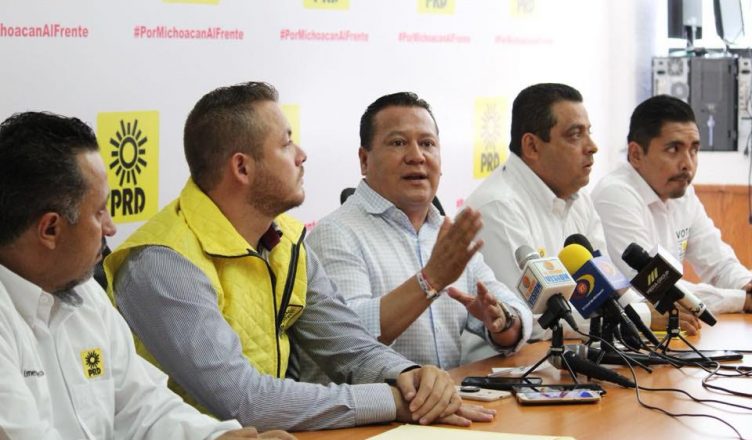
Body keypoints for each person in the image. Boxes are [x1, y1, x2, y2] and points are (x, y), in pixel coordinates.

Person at [104, 82, 494, 432]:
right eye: (286, 144)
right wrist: (391, 400)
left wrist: (411, 377)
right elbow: (245, 401)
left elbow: (347, 344)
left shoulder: (286, 240)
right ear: (242, 167)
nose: (302, 155)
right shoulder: (163, 262)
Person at [0, 111, 292, 439]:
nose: (111, 227)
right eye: (99, 212)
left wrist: (216, 438)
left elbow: (143, 406)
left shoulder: (86, 293)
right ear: (50, 229)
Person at [300, 92, 532, 376]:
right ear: (364, 160)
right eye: (398, 143)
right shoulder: (334, 234)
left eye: (427, 144)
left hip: (448, 397)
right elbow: (346, 340)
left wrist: (503, 322)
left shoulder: (446, 232)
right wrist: (430, 280)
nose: (417, 157)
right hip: (376, 403)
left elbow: (514, 309)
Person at [463, 83, 673, 350]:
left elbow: (608, 285)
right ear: (532, 146)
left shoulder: (578, 199)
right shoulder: (497, 208)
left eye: (589, 133)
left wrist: (643, 309)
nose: (592, 147)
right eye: (575, 135)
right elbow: (530, 319)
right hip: (503, 367)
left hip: (571, 356)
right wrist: (643, 317)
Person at [592, 94, 752, 315]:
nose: (687, 164)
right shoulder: (614, 195)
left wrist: (746, 285)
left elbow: (719, 263)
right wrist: (742, 300)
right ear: (636, 154)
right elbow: (653, 287)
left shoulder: (682, 193)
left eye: (694, 150)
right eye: (673, 149)